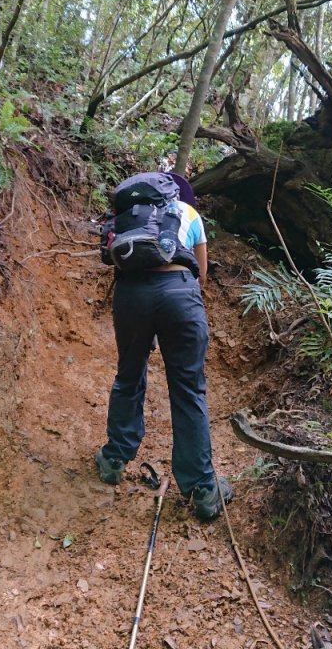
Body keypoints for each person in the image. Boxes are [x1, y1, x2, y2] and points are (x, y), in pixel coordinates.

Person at [95, 172, 233, 521]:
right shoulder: (189, 214)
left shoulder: (132, 215)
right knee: (188, 390)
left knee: (129, 375)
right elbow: (200, 274)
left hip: (131, 295)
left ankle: (113, 460)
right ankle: (202, 490)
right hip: (179, 293)